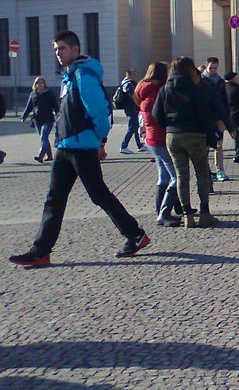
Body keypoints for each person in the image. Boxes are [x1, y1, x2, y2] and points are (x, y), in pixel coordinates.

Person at [8, 30, 149, 267]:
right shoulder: (70, 76)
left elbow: (100, 112)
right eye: (55, 49)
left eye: (62, 48)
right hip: (65, 147)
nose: (58, 53)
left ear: (75, 49)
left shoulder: (84, 75)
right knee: (54, 199)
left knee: (98, 195)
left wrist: (100, 141)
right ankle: (40, 250)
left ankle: (135, 234)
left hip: (82, 147)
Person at [154, 57, 232, 228]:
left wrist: (170, 124)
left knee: (182, 176)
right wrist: (212, 136)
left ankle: (187, 215)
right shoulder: (197, 89)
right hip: (195, 135)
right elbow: (205, 114)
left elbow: (157, 116)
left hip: (173, 136)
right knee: (202, 174)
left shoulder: (165, 89)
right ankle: (205, 214)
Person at [135, 61, 180, 226]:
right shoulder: (157, 92)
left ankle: (160, 210)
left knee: (164, 176)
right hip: (159, 137)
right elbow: (160, 116)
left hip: (151, 138)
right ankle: (164, 213)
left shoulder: (144, 90)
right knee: (177, 177)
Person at [202, 57, 231, 182]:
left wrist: (226, 118)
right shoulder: (200, 80)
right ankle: (206, 172)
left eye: (215, 68)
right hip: (205, 119)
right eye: (210, 68)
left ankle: (220, 170)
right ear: (206, 66)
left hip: (218, 118)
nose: (213, 70)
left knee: (218, 145)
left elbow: (225, 101)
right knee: (205, 146)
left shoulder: (220, 81)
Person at [21, 76, 59, 162]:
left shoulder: (49, 93)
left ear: (44, 84)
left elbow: (55, 105)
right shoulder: (33, 94)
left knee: (43, 136)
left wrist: (58, 114)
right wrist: (23, 117)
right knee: (44, 138)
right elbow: (29, 107)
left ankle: (40, 155)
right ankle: (49, 156)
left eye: (42, 82)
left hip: (48, 119)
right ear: (35, 84)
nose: (40, 84)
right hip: (37, 120)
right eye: (38, 83)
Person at [117, 70, 144, 154]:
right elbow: (131, 96)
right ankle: (123, 146)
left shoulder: (124, 82)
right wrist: (137, 103)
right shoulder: (128, 84)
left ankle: (140, 145)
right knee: (132, 127)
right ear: (131, 74)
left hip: (130, 108)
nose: (136, 76)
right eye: (134, 74)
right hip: (131, 108)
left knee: (135, 126)